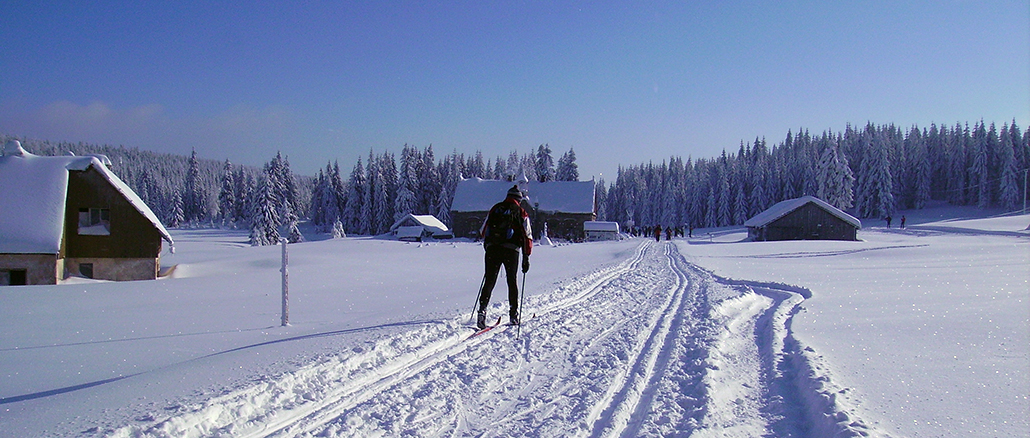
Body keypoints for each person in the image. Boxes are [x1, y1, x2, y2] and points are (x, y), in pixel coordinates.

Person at [476, 185, 533, 328]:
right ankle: (513, 315)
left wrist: (489, 244)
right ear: (519, 199)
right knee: (511, 282)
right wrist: (526, 256)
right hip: (511, 250)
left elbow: (483, 230)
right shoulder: (521, 212)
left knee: (489, 280)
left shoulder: (495, 208)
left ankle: (482, 311)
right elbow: (527, 235)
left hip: (493, 249)